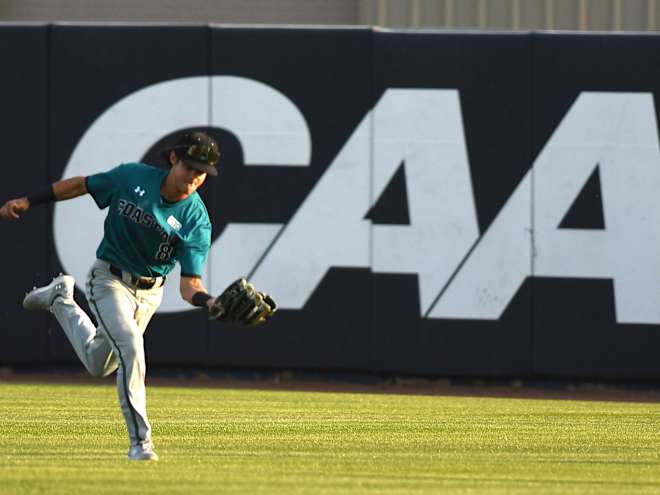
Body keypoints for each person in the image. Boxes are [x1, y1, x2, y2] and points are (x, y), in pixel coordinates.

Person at [0, 131, 224, 461]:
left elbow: (189, 285)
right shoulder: (132, 177)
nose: (194, 177)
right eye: (190, 166)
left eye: (202, 172)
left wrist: (210, 302)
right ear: (174, 159)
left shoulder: (196, 221)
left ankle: (60, 299)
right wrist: (31, 200)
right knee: (132, 347)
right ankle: (140, 443)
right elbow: (81, 185)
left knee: (98, 363)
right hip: (109, 279)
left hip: (150, 294)